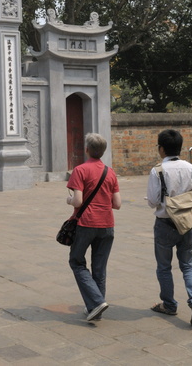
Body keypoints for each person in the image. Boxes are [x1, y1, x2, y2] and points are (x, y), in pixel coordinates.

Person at [146, 129, 192, 326]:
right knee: (189, 265)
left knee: (164, 267)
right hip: (187, 223)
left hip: (164, 223)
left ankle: (169, 305)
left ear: (161, 149)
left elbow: (154, 201)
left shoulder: (158, 171)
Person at [65, 133, 121, 322]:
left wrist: (69, 200)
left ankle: (96, 302)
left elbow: (78, 201)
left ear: (87, 149)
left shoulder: (80, 170)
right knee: (99, 268)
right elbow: (117, 204)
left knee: (76, 261)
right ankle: (95, 308)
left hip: (86, 223)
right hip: (107, 223)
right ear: (103, 151)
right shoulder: (110, 172)